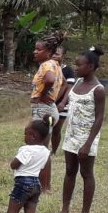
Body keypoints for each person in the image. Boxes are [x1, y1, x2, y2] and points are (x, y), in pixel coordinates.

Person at [60, 48, 107, 213]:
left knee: (86, 173)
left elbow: (99, 118)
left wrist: (88, 143)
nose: (76, 67)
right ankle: (65, 208)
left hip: (87, 137)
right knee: (69, 171)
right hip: (71, 135)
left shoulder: (98, 90)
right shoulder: (78, 82)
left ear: (91, 66)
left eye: (79, 65)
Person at [29, 33, 65, 192]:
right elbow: (63, 84)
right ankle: (44, 184)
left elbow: (50, 80)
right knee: (43, 148)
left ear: (48, 52)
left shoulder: (47, 65)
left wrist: (42, 97)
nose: (35, 52)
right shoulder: (56, 65)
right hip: (50, 109)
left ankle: (43, 186)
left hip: (43, 109)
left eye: (38, 49)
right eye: (35, 49)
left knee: (39, 148)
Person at [7, 119, 51, 213]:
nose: (24, 136)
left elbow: (14, 165)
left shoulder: (26, 150)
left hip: (22, 183)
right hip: (36, 184)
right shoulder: (45, 151)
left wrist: (16, 159)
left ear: (33, 136)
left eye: (25, 133)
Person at [51, 45, 75, 153]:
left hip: (61, 104)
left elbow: (69, 88)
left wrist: (63, 103)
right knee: (46, 127)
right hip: (48, 102)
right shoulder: (47, 67)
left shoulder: (68, 70)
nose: (54, 56)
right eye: (53, 53)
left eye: (57, 54)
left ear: (63, 56)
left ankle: (53, 151)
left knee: (56, 129)